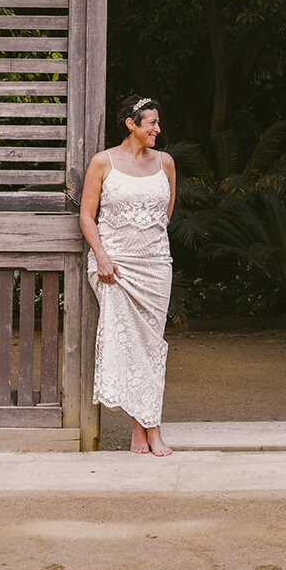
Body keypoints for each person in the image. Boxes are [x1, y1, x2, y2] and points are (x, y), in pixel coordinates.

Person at [79, 93, 176, 455]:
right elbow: (87, 215)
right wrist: (102, 256)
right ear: (132, 125)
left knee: (151, 345)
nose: (158, 129)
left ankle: (142, 430)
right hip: (114, 267)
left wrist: (149, 249)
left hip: (154, 266)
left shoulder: (165, 162)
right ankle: (150, 430)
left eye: (157, 122)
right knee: (131, 344)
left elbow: (165, 214)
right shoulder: (103, 162)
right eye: (151, 123)